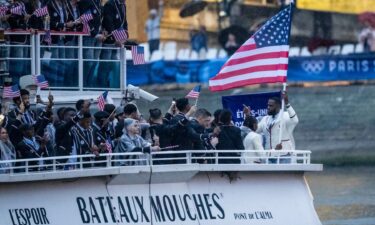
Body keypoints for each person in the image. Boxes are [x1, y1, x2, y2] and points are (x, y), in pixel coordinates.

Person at [256, 92, 299, 163]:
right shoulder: (265, 119)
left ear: (278, 106)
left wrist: (287, 103)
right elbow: (255, 130)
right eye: (268, 105)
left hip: (284, 155)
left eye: (271, 106)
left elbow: (295, 120)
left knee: (284, 174)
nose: (268, 107)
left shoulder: (285, 116)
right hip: (269, 155)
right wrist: (248, 116)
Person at [98, 0, 127, 88]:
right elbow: (108, 22)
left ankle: (111, 86)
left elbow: (125, 22)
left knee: (114, 66)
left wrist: (125, 35)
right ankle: (102, 86)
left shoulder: (123, 5)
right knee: (105, 65)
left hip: (117, 41)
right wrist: (116, 38)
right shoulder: (109, 4)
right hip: (109, 40)